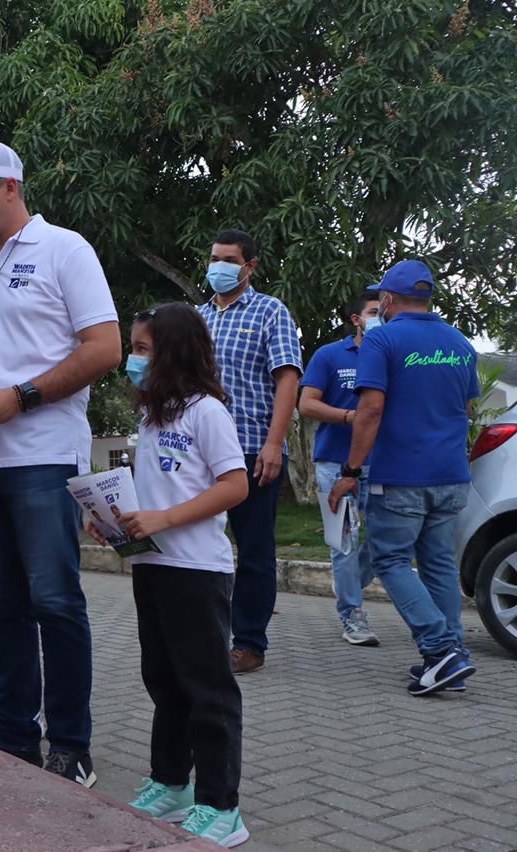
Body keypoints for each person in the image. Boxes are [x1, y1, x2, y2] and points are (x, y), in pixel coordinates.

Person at [0, 140, 121, 787]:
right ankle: (15, 732)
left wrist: (25, 395)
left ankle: (70, 744)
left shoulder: (65, 250)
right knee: (3, 603)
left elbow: (106, 347)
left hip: (41, 458)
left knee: (55, 601)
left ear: (10, 185)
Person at [94, 304, 250, 848]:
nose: (132, 361)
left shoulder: (206, 412)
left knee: (208, 689)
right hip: (151, 565)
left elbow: (235, 485)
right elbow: (157, 493)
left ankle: (221, 805)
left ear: (173, 353)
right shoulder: (153, 416)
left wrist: (164, 519)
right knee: (164, 681)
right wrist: (117, 525)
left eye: (141, 350)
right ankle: (170, 783)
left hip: (196, 570)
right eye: (133, 349)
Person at [329, 260, 480, 696]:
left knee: (392, 560)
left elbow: (371, 411)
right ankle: (453, 656)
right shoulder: (459, 342)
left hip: (401, 476)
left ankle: (439, 649)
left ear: (389, 300)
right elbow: (466, 412)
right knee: (438, 565)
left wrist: (351, 472)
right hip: (451, 475)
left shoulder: (384, 340)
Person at [196, 230, 302, 675]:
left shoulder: (269, 312)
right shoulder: (197, 318)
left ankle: (249, 644)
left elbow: (288, 379)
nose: (219, 266)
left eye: (229, 259)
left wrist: (275, 443)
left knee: (254, 550)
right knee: (198, 547)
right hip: (199, 453)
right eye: (214, 257)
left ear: (249, 266)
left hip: (252, 449)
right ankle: (204, 636)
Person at [299, 292, 382, 647]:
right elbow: (306, 404)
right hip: (335, 463)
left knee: (386, 541)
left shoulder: (394, 355)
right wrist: (351, 417)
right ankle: (352, 614)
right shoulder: (330, 355)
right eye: (374, 312)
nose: (381, 318)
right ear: (356, 319)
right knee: (345, 545)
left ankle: (347, 578)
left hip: (384, 465)